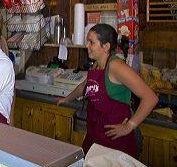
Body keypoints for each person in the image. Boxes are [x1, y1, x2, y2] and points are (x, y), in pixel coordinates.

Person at [57, 24, 158, 158]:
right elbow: (84, 86)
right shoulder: (96, 64)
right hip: (96, 138)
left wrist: (129, 126)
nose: (87, 45)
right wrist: (66, 99)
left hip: (115, 143)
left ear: (106, 46)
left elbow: (150, 98)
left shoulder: (116, 66)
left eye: (91, 42)